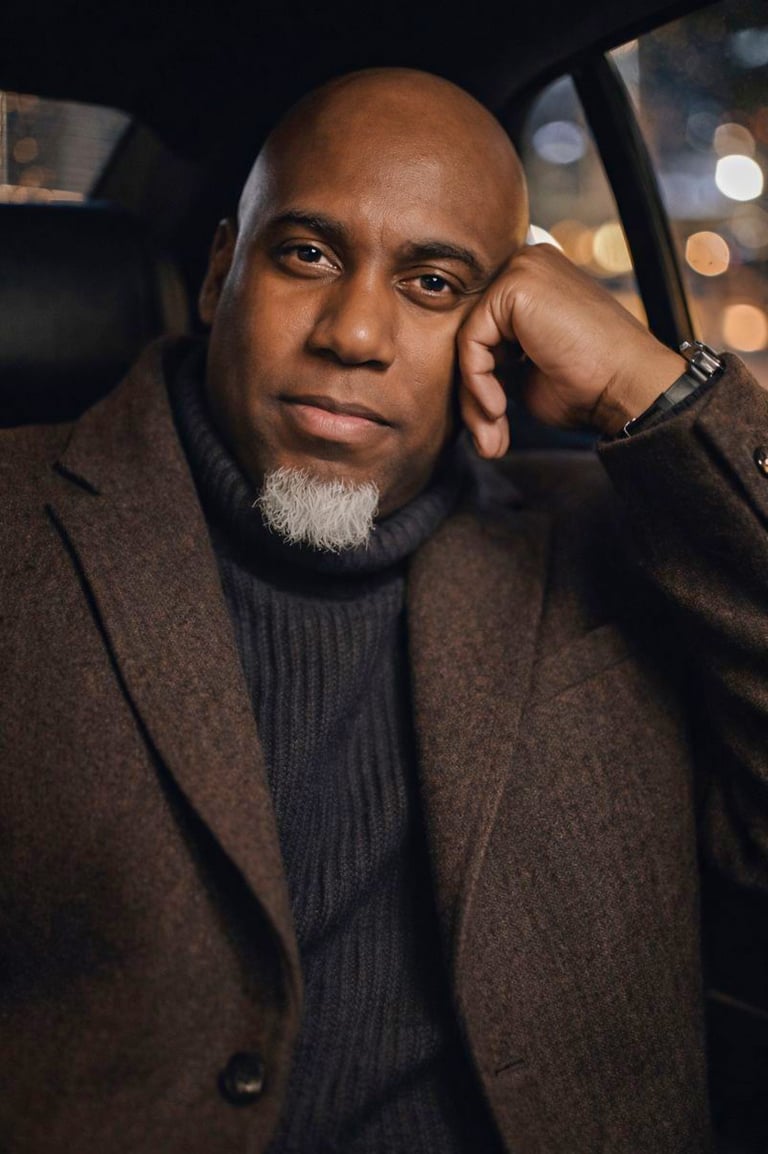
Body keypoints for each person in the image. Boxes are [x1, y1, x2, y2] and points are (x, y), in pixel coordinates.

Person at [2, 65, 767, 1154]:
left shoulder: (619, 545)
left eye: (434, 283)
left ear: (506, 323)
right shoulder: (17, 528)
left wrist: (650, 388)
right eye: (308, 255)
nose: (355, 333)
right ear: (221, 273)